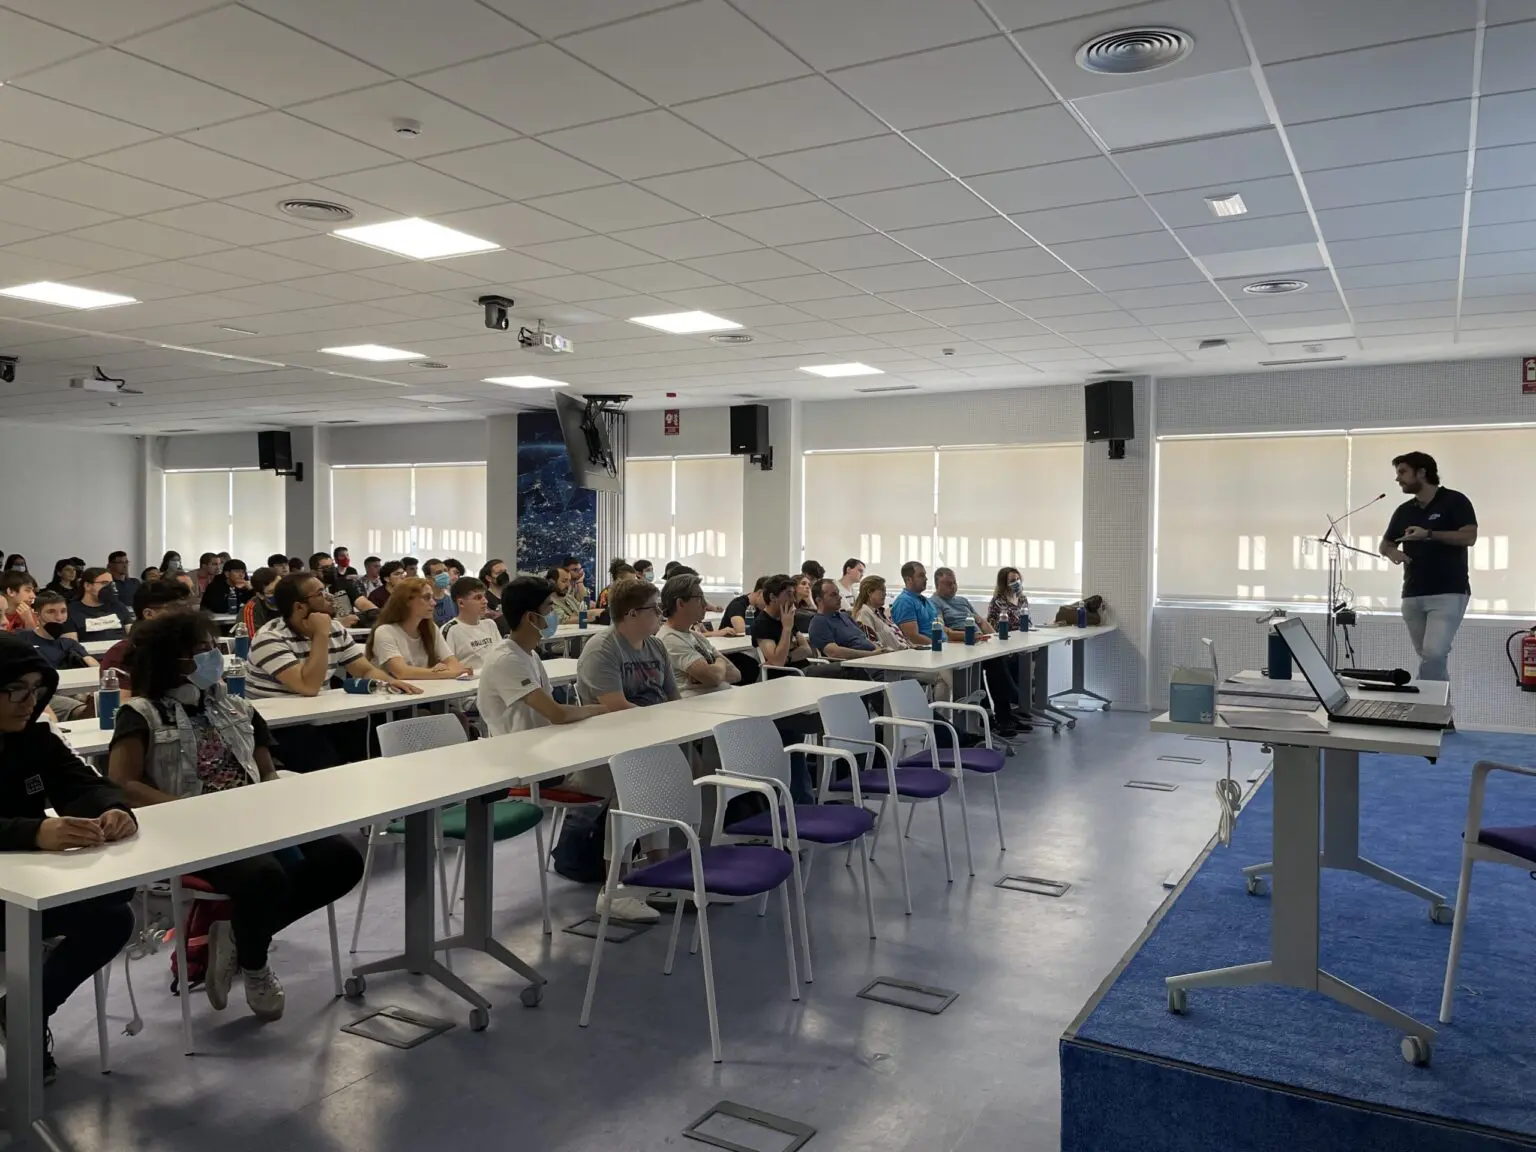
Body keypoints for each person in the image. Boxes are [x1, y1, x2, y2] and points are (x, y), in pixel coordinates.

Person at [108, 610, 364, 1023]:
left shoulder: (237, 706)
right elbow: (123, 783)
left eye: (214, 647)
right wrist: (190, 810)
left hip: (253, 819)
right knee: (264, 877)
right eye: (201, 650)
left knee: (343, 860)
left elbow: (265, 771)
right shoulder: (141, 714)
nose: (214, 657)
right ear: (172, 661)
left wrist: (278, 798)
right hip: (189, 830)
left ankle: (237, 939)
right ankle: (256, 965)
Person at [0, 635, 137, 1083]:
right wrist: (33, 832)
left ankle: (23, 1012)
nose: (29, 702)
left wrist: (113, 810)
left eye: (36, 690)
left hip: (24, 887)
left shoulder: (33, 739)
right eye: (15, 690)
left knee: (112, 915)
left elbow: (84, 783)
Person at [575, 578, 680, 923]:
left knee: (658, 780)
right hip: (604, 748)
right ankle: (613, 889)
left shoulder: (655, 646)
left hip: (647, 740)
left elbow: (673, 700)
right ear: (632, 613)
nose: (661, 614)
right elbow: (616, 708)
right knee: (637, 784)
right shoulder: (602, 649)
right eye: (655, 608)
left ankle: (659, 874)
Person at [246, 574, 420, 771]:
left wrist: (389, 682)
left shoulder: (334, 628)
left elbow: (364, 670)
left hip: (319, 714)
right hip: (277, 725)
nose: (330, 597)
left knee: (372, 741)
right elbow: (309, 687)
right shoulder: (270, 638)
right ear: (299, 607)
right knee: (323, 756)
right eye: (320, 593)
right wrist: (320, 634)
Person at [1379, 451, 1478, 684]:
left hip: (1448, 592)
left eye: (1402, 472)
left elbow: (1469, 537)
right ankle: (1437, 705)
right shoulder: (1404, 511)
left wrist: (1429, 534)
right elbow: (1386, 544)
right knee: (1430, 658)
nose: (1398, 478)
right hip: (1412, 594)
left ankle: (1427, 704)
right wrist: (1393, 553)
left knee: (1434, 654)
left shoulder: (1455, 501)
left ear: (1422, 472)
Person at [481, 576, 609, 735]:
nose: (553, 614)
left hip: (542, 737)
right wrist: (602, 709)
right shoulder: (506, 660)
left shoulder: (530, 654)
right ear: (531, 617)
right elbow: (557, 714)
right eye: (549, 608)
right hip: (517, 745)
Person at [930, 567, 1018, 736]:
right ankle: (990, 716)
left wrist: (997, 639)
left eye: (954, 583)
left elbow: (981, 622)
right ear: (937, 585)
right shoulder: (935, 603)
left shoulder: (963, 601)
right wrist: (968, 636)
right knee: (983, 665)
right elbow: (944, 630)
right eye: (948, 584)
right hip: (960, 644)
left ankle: (1004, 715)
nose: (953, 587)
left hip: (978, 641)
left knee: (1000, 659)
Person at [365, 578, 467, 681]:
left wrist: (444, 670)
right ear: (407, 601)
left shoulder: (431, 628)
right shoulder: (384, 631)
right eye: (427, 597)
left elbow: (454, 664)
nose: (433, 603)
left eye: (432, 597)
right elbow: (401, 672)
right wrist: (441, 672)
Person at [657, 574, 740, 698]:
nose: (705, 605)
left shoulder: (696, 636)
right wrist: (718, 662)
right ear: (680, 603)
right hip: (696, 706)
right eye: (699, 598)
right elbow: (713, 678)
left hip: (719, 700)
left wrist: (714, 667)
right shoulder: (669, 639)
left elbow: (736, 674)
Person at [100, 580, 192, 686]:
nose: (187, 615)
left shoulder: (193, 647)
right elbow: (119, 696)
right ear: (148, 614)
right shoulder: (122, 654)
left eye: (188, 608)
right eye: (176, 609)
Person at [808, 577, 879, 660]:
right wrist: (871, 655)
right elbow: (834, 652)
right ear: (819, 600)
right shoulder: (819, 622)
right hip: (855, 663)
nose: (840, 597)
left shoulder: (845, 616)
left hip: (871, 658)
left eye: (838, 594)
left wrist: (879, 651)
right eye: (833, 595)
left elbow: (864, 639)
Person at [752, 574, 814, 669]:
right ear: (773, 597)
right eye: (789, 594)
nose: (793, 599)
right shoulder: (762, 624)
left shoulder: (786, 617)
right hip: (791, 674)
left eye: (793, 594)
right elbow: (778, 662)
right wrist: (786, 629)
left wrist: (787, 658)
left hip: (804, 669)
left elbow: (807, 650)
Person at [440, 578, 501, 672]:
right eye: (478, 598)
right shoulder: (450, 630)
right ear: (461, 603)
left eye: (484, 596)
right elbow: (446, 667)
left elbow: (500, 656)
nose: (485, 601)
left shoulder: (490, 624)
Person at [66, 568, 131, 642]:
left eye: (111, 583)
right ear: (87, 586)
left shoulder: (118, 606)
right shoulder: (71, 611)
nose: (110, 587)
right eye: (104, 583)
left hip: (120, 648)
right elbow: (71, 644)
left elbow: (132, 634)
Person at [239, 567, 282, 636]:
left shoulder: (294, 601)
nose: (279, 593)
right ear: (260, 595)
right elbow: (253, 639)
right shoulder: (250, 610)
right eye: (272, 592)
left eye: (280, 587)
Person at [987, 567, 1029, 632]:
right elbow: (993, 627)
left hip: (1023, 635)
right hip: (1006, 636)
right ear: (1004, 584)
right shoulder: (997, 602)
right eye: (1012, 581)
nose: (1017, 582)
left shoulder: (1022, 599)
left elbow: (1028, 622)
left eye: (1018, 579)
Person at [422, 559, 457, 626]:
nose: (444, 574)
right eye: (439, 573)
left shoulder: (453, 600)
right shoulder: (424, 603)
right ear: (428, 578)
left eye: (445, 570)